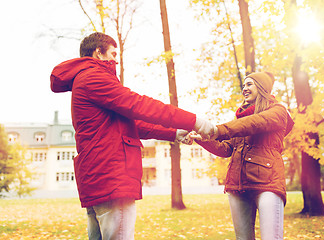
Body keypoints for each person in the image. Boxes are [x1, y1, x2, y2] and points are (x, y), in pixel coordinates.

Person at [50, 32, 215, 240]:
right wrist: (195, 121)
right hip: (111, 176)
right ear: (98, 52)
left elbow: (132, 125)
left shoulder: (85, 79)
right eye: (112, 53)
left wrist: (173, 133)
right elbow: (140, 105)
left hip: (99, 176)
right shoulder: (93, 77)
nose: (115, 60)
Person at [190, 72, 294, 240]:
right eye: (244, 85)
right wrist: (203, 139)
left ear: (261, 88)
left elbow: (255, 123)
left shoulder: (278, 112)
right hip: (238, 185)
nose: (244, 88)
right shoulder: (240, 120)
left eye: (250, 84)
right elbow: (226, 149)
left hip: (267, 183)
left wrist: (217, 130)